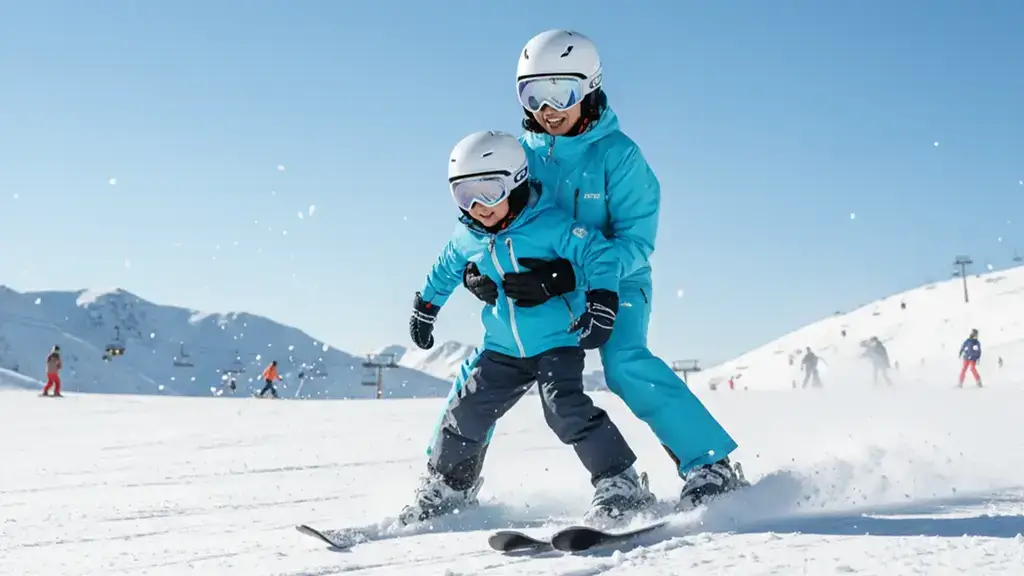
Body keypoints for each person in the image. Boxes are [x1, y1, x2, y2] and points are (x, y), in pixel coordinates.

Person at [457, 29, 745, 510]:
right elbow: (484, 221)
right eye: (533, 95)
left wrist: (574, 276)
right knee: (485, 370)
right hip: (540, 293)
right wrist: (475, 269)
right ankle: (450, 482)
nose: (547, 110)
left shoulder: (620, 157)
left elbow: (637, 242)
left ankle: (709, 463)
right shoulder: (520, 156)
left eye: (559, 93)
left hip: (617, 282)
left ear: (589, 87)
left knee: (625, 363)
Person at [403, 130, 654, 527]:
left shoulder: (551, 224)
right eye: (464, 194)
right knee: (467, 409)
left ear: (517, 179)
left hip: (557, 341)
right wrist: (426, 307)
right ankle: (451, 486)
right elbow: (446, 267)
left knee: (564, 409)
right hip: (502, 346)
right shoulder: (469, 234)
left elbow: (599, 254)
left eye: (488, 190)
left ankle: (620, 483)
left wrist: (602, 301)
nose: (477, 206)